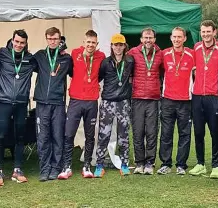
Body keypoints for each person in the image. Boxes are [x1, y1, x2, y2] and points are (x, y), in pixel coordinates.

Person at [59, 30, 106, 179]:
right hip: (76, 100)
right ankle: (67, 167)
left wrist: (93, 85)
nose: (90, 45)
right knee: (69, 133)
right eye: (88, 42)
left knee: (90, 135)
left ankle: (86, 166)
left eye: (93, 42)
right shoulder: (74, 53)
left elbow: (101, 74)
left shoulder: (101, 56)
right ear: (83, 42)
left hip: (91, 101)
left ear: (96, 44)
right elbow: (71, 71)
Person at [0, 29, 34, 186]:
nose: (18, 45)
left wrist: (61, 53)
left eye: (22, 43)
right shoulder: (2, 53)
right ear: (12, 40)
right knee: (1, 135)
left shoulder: (30, 58)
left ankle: (17, 170)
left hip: (21, 103)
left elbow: (45, 63)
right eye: (16, 42)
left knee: (20, 137)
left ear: (25, 44)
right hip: (4, 101)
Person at [30, 27, 72, 181]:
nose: (53, 41)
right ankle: (44, 169)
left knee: (57, 136)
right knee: (43, 138)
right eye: (50, 38)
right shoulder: (40, 56)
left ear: (60, 39)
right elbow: (21, 59)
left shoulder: (66, 58)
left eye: (56, 39)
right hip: (42, 103)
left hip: (58, 103)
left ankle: (56, 168)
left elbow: (77, 72)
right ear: (46, 39)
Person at [189, 20, 218, 178]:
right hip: (197, 96)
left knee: (214, 132)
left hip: (214, 96)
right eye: (203, 32)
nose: (205, 34)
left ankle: (216, 165)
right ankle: (200, 164)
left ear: (214, 32)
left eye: (208, 31)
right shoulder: (196, 47)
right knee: (198, 132)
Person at [93, 34, 135, 178]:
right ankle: (99, 165)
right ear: (111, 46)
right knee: (104, 134)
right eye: (115, 45)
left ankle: (124, 164)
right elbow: (98, 78)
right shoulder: (105, 62)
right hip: (107, 103)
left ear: (124, 46)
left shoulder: (130, 61)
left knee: (124, 134)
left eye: (120, 45)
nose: (118, 47)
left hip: (123, 102)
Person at [157, 27, 195, 175]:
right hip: (167, 99)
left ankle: (181, 165)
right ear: (171, 38)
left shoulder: (192, 54)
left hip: (186, 100)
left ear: (185, 38)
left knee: (184, 134)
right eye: (174, 37)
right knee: (166, 133)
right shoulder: (164, 54)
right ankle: (166, 163)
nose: (177, 39)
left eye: (180, 37)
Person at [127, 27, 164, 175]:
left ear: (154, 39)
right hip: (137, 98)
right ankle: (139, 163)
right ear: (141, 39)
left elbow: (162, 72)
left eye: (150, 38)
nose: (148, 40)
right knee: (137, 131)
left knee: (152, 132)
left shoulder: (160, 54)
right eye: (145, 38)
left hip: (154, 99)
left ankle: (150, 162)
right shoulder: (133, 53)